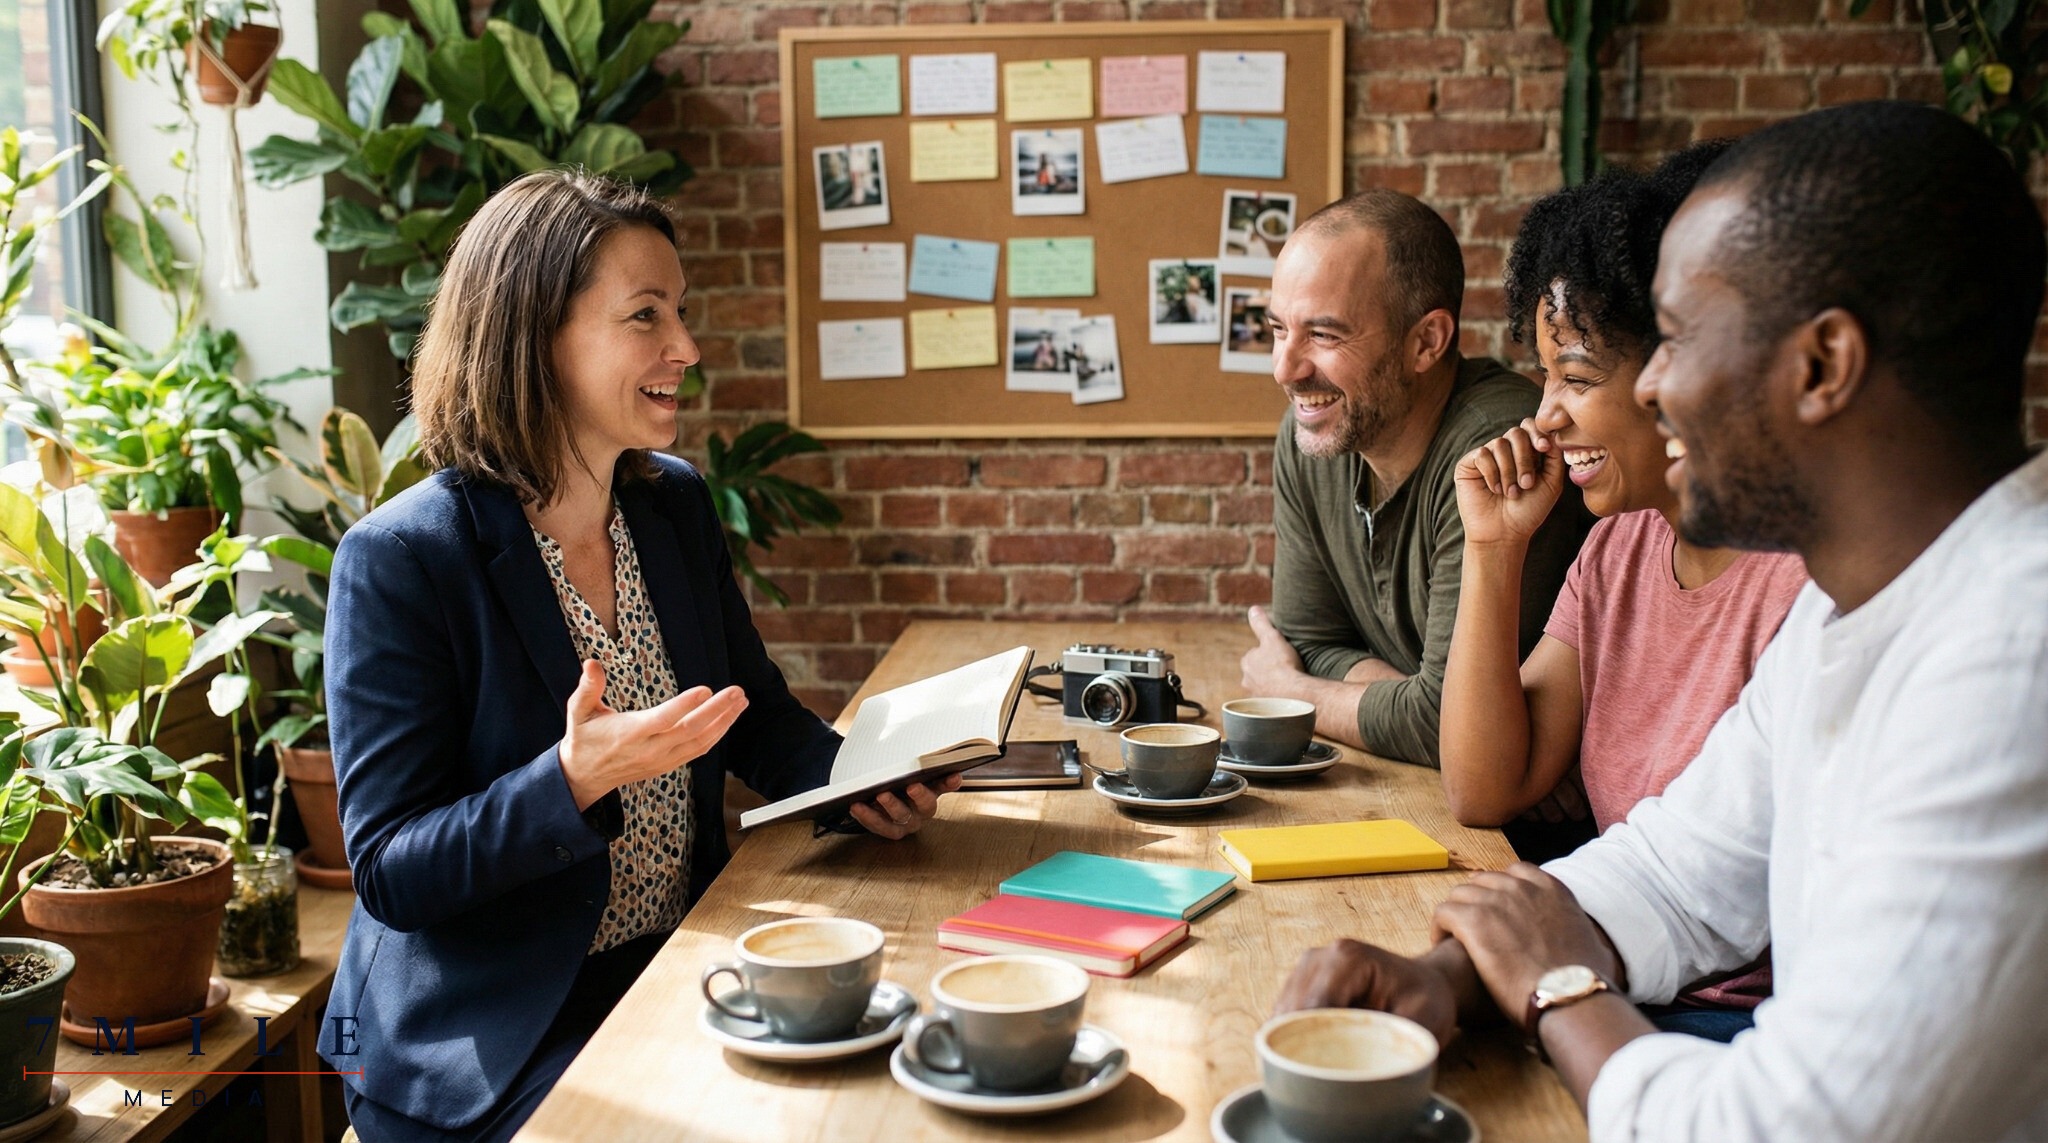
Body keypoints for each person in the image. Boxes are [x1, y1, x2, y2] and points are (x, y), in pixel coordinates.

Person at [1278, 101, 2048, 1141]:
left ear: (1821, 366)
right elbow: (1681, 867)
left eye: (1676, 339)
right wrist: (1447, 978)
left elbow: (1782, 1128)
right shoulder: (1853, 603)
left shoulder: (2011, 659)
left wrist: (1550, 988)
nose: (1652, 388)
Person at [316, 170, 955, 1142]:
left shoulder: (671, 505)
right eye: (644, 316)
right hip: (494, 1033)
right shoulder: (404, 558)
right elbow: (392, 871)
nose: (686, 349)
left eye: (681, 313)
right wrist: (567, 780)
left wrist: (863, 785)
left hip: (675, 969)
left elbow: (757, 716)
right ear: (535, 337)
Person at [1438, 144, 1808, 1030]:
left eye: (1577, 376)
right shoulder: (1620, 549)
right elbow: (1486, 787)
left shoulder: (1805, 583)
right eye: (1544, 377)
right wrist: (1493, 550)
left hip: (1732, 1025)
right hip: (1614, 969)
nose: (1545, 415)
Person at [1243, 189, 1584, 767]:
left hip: (1538, 836)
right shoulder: (1315, 433)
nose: (1286, 369)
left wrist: (1292, 692)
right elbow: (1307, 641)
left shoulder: (1498, 449)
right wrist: (1411, 700)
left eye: (1324, 336)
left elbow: (1451, 731)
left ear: (1426, 341)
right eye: (1279, 329)